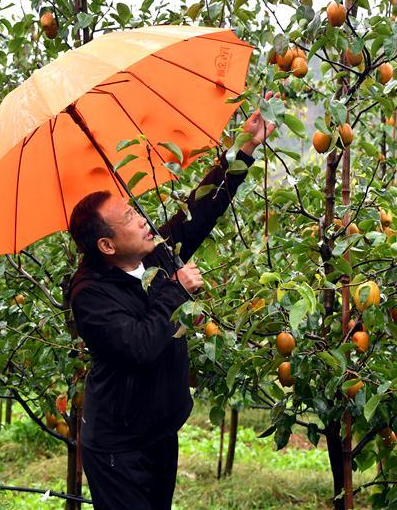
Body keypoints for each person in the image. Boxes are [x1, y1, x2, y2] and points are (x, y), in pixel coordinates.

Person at [66, 110, 275, 509]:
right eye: (128, 216)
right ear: (107, 246)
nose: (142, 218)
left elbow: (199, 214)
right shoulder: (88, 294)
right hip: (117, 447)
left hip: (160, 431)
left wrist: (244, 148)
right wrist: (176, 289)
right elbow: (138, 346)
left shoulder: (153, 254)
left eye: (133, 208)